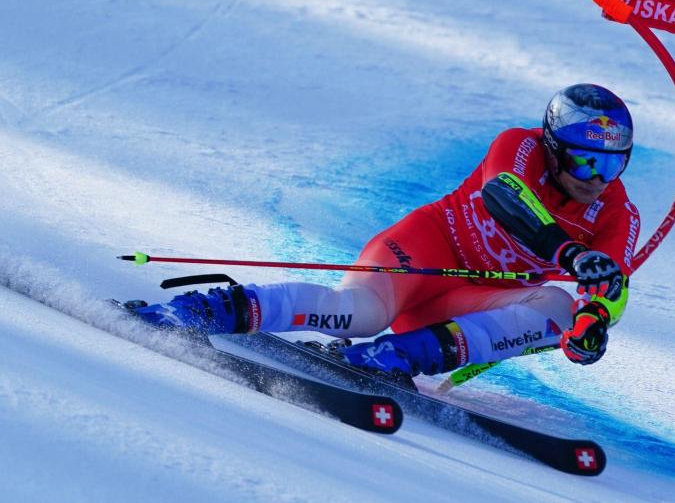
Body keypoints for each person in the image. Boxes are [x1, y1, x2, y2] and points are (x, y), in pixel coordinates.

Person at [132, 83, 640, 377]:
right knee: (358, 314)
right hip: (419, 254)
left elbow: (611, 286)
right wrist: (570, 253)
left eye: (611, 166)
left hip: (465, 304)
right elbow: (506, 199)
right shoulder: (520, 145)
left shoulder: (619, 213)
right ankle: (203, 309)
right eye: (584, 161)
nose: (596, 179)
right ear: (552, 147)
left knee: (557, 307)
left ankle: (395, 359)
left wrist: (593, 321)